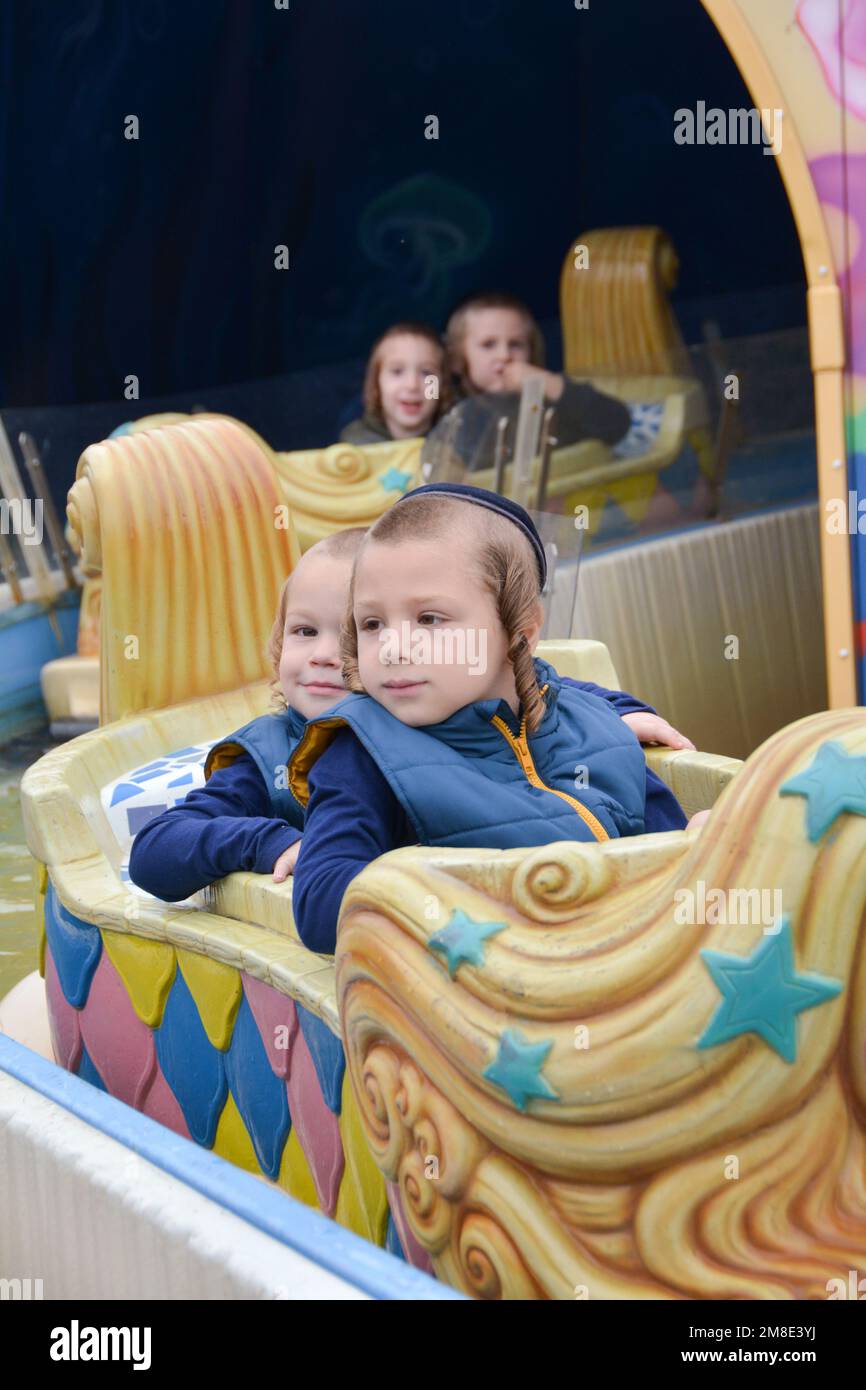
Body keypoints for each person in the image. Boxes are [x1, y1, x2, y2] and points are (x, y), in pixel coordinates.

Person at [288, 484, 706, 954]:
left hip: (631, 968)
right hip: (488, 1002)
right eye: (372, 624)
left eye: (429, 619)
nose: (393, 646)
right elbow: (320, 905)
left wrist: (701, 851)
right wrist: (484, 902)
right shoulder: (361, 752)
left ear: (519, 632)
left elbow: (665, 852)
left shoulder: (597, 731)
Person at [128, 528, 367, 901]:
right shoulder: (266, 760)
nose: (323, 653)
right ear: (278, 645)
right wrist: (270, 840)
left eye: (351, 635)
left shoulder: (432, 740)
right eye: (304, 630)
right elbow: (153, 854)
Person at [421, 292, 631, 472]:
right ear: (458, 358)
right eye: (488, 344)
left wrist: (546, 383)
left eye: (516, 345)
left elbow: (617, 424)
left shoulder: (551, 398)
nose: (504, 355)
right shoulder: (451, 412)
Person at [340, 322, 450, 445]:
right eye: (397, 372)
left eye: (426, 372)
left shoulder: (457, 445)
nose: (412, 385)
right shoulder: (356, 445)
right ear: (376, 385)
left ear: (443, 386)